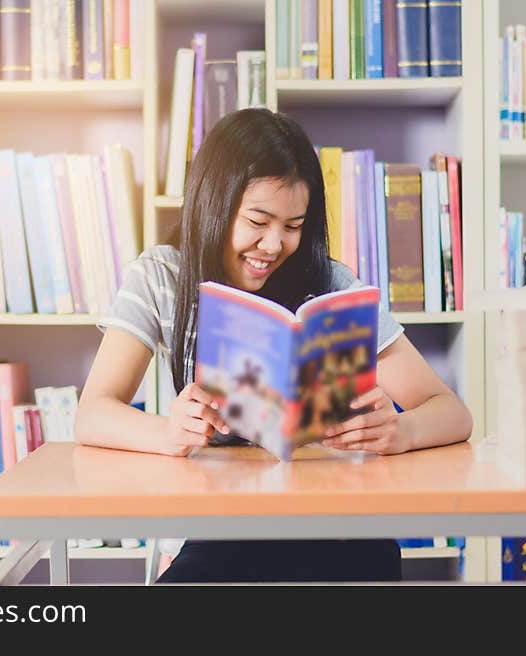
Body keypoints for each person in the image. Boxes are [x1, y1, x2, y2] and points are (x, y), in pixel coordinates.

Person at [74, 107, 473, 583]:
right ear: (213, 203)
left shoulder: (331, 285)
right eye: (258, 220)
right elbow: (93, 412)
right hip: (224, 531)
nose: (272, 245)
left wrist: (401, 433)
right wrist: (167, 432)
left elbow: (451, 411)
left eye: (293, 225)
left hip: (341, 531)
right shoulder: (162, 276)